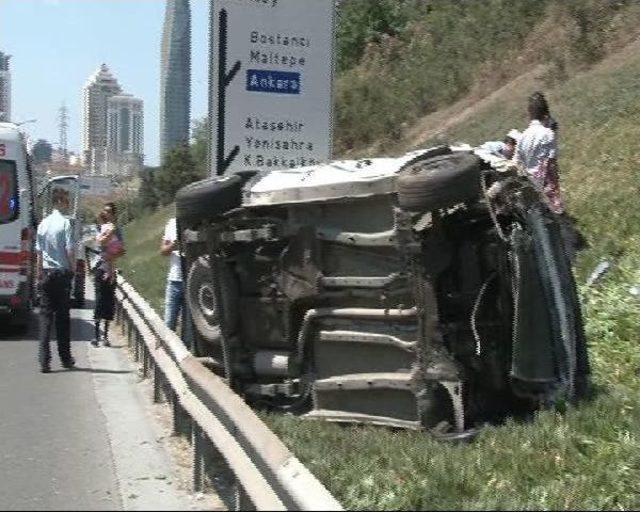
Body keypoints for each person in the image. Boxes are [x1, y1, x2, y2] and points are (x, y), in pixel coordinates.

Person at [35, 187, 76, 373]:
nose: (68, 204)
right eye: (66, 200)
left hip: (45, 273)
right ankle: (65, 358)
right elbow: (69, 250)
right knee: (62, 319)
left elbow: (39, 253)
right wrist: (72, 270)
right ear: (60, 201)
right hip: (61, 274)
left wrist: (38, 276)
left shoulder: (43, 224)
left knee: (45, 318)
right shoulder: (65, 224)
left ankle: (44, 360)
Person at [513, 91, 565, 215]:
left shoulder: (522, 137)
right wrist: (556, 186)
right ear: (546, 115)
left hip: (530, 184)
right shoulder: (548, 134)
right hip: (546, 181)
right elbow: (551, 164)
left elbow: (516, 162)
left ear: (529, 115)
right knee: (558, 213)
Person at [93, 203, 124, 347]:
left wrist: (111, 256)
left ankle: (105, 335)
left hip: (110, 267)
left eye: (109, 211)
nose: (107, 214)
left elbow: (122, 250)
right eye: (105, 211)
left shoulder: (117, 230)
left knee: (108, 303)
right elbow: (100, 242)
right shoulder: (100, 228)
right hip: (100, 268)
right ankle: (96, 335)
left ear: (114, 214)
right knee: (99, 301)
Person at [161, 217, 184, 331]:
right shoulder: (171, 223)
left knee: (188, 328)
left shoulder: (196, 219)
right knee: (169, 322)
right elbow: (163, 251)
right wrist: (173, 245)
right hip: (174, 280)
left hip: (191, 281)